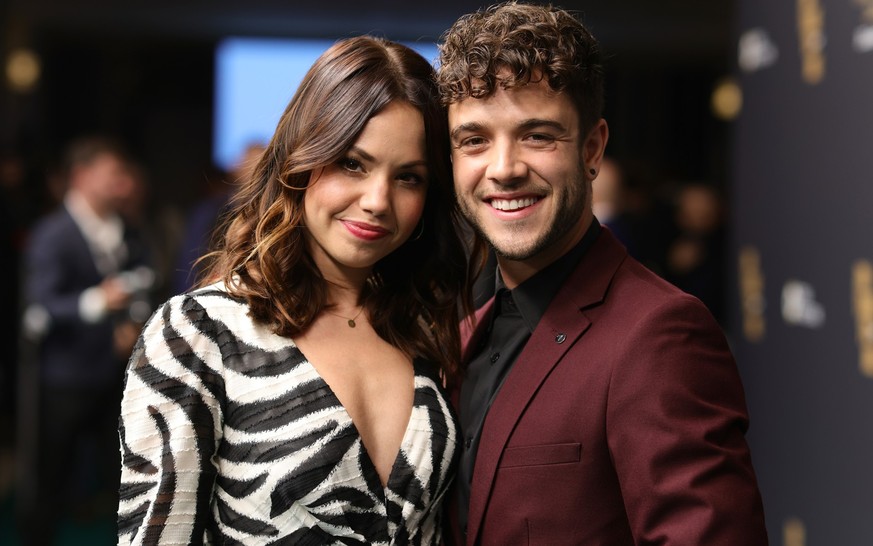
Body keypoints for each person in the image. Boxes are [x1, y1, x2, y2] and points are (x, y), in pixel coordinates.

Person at [117, 36, 472, 545]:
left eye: (409, 177)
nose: (378, 200)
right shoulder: (199, 334)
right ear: (301, 160)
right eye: (353, 163)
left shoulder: (424, 328)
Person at [436, 2, 768, 545]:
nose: (503, 168)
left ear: (592, 149)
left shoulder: (659, 334)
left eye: (537, 135)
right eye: (474, 140)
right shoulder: (467, 326)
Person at [19, 136, 153, 545]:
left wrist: (131, 318)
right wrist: (98, 301)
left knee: (120, 471)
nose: (120, 180)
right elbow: (40, 306)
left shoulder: (125, 227)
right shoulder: (52, 232)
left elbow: (144, 279)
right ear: (82, 175)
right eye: (111, 172)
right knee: (51, 475)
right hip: (65, 373)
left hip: (114, 370)